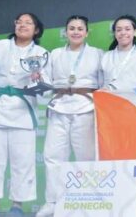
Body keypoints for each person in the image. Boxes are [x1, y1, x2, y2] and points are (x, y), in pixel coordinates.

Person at [0, 12, 48, 217]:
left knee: (23, 161)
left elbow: (44, 89)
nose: (22, 25)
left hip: (24, 110)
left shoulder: (40, 53)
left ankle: (17, 206)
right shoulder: (0, 47)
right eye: (19, 22)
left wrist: (37, 79)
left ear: (36, 30)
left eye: (28, 23)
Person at [36, 15, 103, 217]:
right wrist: (38, 78)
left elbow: (103, 82)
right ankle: (52, 202)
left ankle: (88, 200)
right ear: (65, 32)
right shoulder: (55, 54)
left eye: (80, 28)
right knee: (53, 156)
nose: (75, 32)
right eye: (71, 28)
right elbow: (46, 82)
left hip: (86, 107)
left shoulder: (97, 54)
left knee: (87, 157)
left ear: (87, 32)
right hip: (59, 107)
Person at [101, 14, 136, 90]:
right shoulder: (106, 57)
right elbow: (99, 85)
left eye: (127, 29)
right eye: (119, 30)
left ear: (135, 32)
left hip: (132, 100)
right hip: (107, 100)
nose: (123, 33)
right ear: (115, 33)